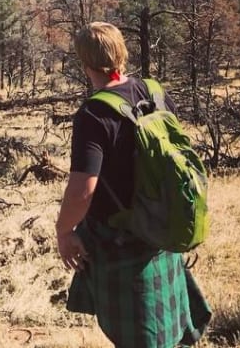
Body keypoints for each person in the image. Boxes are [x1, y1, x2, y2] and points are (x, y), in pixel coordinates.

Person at [56, 22, 211, 348]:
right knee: (166, 332)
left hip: (121, 242)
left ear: (85, 63)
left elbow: (83, 189)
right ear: (121, 54)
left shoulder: (94, 114)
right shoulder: (153, 92)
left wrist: (64, 231)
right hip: (161, 230)